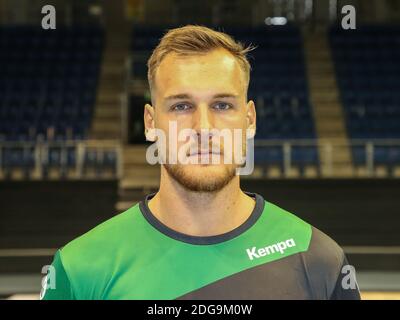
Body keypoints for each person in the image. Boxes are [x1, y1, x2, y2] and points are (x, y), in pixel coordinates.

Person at [42, 25, 360, 300]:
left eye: (222, 105)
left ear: (249, 119)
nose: (203, 128)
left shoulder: (318, 259)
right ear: (151, 122)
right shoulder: (79, 270)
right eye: (181, 106)